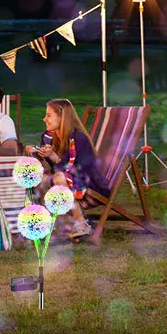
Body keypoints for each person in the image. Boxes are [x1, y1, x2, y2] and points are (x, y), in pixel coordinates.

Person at [24, 98, 110, 239]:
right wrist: (38, 153)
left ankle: (81, 223)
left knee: (58, 177)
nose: (44, 119)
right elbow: (51, 168)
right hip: (67, 183)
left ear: (62, 117)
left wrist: (54, 157)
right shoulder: (50, 137)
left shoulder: (78, 139)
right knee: (37, 176)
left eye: (49, 115)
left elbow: (75, 170)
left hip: (89, 186)